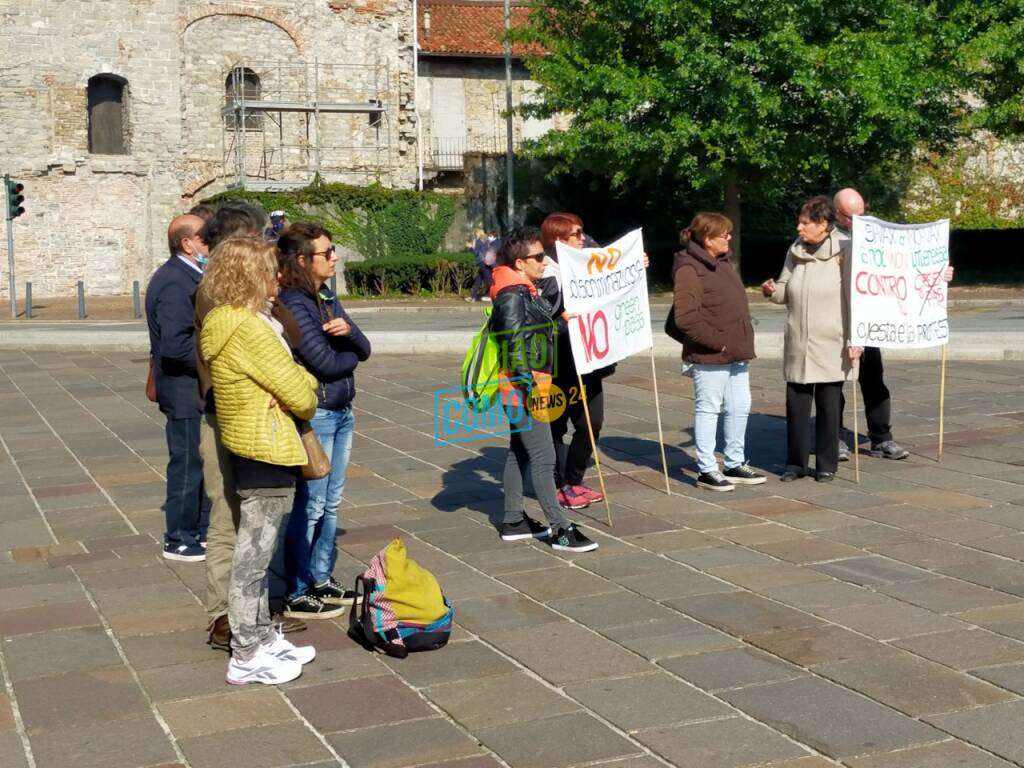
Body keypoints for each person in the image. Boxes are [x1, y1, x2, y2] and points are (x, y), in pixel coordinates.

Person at [199, 237, 319, 685]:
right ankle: (246, 654)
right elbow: (303, 393)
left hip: (252, 445)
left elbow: (292, 382)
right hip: (265, 448)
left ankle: (262, 636)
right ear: (250, 277)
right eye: (271, 271)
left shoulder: (228, 321)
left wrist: (289, 388)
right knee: (253, 560)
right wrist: (294, 392)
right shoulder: (249, 328)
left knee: (257, 555)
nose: (279, 278)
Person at [277, 223, 371, 619]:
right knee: (312, 503)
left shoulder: (326, 295)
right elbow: (327, 363)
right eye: (327, 252)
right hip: (320, 412)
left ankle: (320, 576)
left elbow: (364, 347)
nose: (334, 257)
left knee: (331, 502)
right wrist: (348, 349)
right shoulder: (295, 303)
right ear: (303, 260)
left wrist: (348, 333)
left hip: (342, 408)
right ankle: (297, 588)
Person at [490, 226, 598, 553]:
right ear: (520, 262)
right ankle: (560, 528)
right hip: (524, 388)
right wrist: (530, 387)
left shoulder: (523, 289)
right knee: (543, 456)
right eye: (538, 257)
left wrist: (563, 323)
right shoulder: (512, 294)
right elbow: (513, 344)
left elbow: (535, 330)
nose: (543, 263)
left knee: (519, 451)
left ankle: (513, 521)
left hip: (526, 385)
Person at [833, 188, 953, 461]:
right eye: (851, 217)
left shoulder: (878, 237)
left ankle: (882, 439)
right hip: (840, 320)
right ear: (838, 214)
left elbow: (907, 268)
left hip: (871, 321)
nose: (858, 221)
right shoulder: (832, 241)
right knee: (835, 383)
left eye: (862, 214)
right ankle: (835, 436)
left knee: (874, 381)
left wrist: (939, 274)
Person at [761, 196, 861, 482]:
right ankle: (795, 463)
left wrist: (856, 338)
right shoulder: (794, 250)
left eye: (805, 223)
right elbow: (783, 291)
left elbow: (854, 296)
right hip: (798, 342)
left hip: (832, 341)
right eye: (800, 222)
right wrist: (770, 290)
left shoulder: (844, 250)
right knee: (796, 406)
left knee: (829, 407)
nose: (799, 227)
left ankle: (827, 463)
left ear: (824, 224)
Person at [672, 213, 764, 491]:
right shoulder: (689, 268)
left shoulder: (721, 263)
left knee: (739, 407)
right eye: (724, 234)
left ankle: (734, 462)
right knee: (709, 409)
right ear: (708, 238)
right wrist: (719, 342)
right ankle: (707, 469)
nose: (728, 238)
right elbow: (685, 317)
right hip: (711, 355)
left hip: (736, 353)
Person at [145, 214, 210, 562]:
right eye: (206, 239)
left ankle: (196, 528)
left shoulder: (188, 274)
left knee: (196, 460)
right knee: (186, 462)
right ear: (188, 244)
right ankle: (179, 537)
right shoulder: (175, 281)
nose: (211, 245)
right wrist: (213, 361)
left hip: (190, 387)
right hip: (183, 388)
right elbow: (175, 347)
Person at [537, 213, 608, 511]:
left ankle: (574, 479)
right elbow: (539, 322)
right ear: (559, 240)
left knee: (592, 421)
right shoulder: (544, 274)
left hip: (586, 362)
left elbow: (614, 275)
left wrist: (636, 267)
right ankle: (558, 484)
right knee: (555, 427)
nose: (583, 238)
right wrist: (562, 322)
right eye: (576, 234)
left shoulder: (586, 262)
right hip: (556, 366)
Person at [467, 227, 495, 303]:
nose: (475, 234)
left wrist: (471, 247)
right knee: (479, 280)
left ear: (478, 232)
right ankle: (472, 297)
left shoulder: (478, 241)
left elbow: (477, 252)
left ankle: (493, 296)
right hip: (487, 261)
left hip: (482, 262)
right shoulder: (487, 240)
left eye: (475, 233)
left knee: (488, 280)